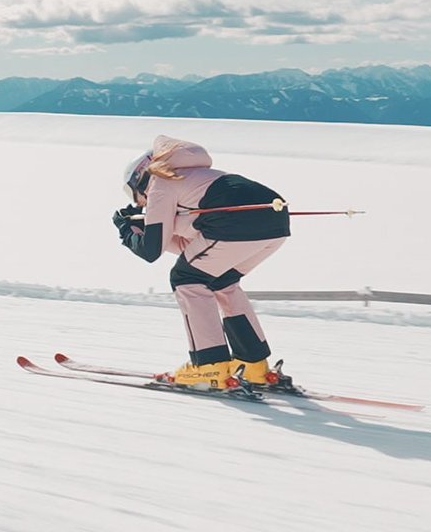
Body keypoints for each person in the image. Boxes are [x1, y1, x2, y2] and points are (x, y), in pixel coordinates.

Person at [112, 135, 295, 392]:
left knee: (186, 279)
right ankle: (253, 365)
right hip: (274, 223)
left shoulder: (161, 183)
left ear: (140, 179)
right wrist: (146, 227)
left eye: (134, 195)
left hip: (234, 227)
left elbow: (151, 251)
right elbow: (193, 246)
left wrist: (127, 232)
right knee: (221, 281)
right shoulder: (194, 175)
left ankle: (209, 367)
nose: (137, 203)